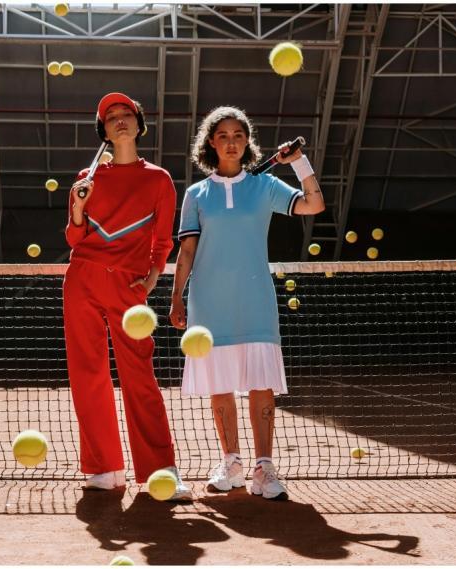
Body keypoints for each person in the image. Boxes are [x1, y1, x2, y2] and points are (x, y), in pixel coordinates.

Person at [169, 106, 325, 500]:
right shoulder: (195, 194)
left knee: (261, 384)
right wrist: (176, 299)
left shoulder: (265, 185)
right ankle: (231, 463)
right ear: (211, 143)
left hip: (255, 300)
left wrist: (299, 162)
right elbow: (187, 252)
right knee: (219, 386)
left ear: (247, 142)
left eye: (238, 134)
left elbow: (313, 204)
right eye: (223, 135)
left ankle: (264, 469)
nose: (231, 141)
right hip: (208, 303)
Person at [63, 92, 191, 501]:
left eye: (126, 114)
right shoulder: (86, 179)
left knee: (139, 375)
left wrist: (150, 281)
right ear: (103, 129)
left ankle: (161, 472)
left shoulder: (158, 179)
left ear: (139, 124)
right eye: (111, 117)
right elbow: (74, 237)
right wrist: (78, 206)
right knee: (87, 374)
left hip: (128, 285)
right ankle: (105, 468)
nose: (119, 120)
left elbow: (162, 241)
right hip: (83, 279)